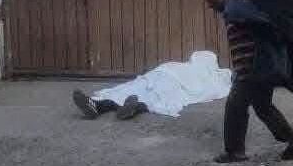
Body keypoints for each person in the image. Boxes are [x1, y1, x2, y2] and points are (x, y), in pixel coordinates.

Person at [203, 0, 293, 163]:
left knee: (235, 105)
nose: (210, 6)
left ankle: (235, 151)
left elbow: (263, 22)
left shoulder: (234, 7)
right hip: (260, 68)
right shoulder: (238, 6)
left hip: (253, 69)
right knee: (263, 107)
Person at [70, 51, 232, 120]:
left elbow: (214, 89)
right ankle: (97, 105)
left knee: (139, 92)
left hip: (167, 80)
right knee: (133, 90)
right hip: (159, 76)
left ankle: (125, 108)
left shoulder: (213, 76)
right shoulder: (184, 67)